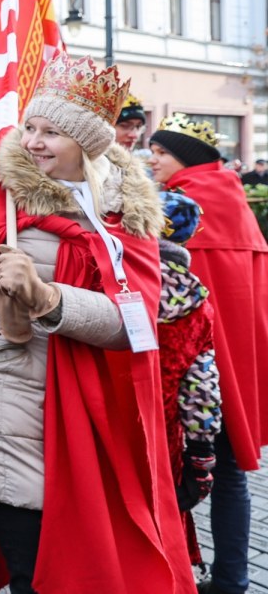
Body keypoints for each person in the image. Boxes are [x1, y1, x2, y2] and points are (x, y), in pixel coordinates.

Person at [0, 54, 192, 593]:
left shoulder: (127, 215)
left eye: (51, 132)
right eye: (29, 127)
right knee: (32, 567)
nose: (33, 142)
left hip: (87, 419)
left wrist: (49, 297)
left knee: (70, 562)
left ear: (88, 143)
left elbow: (133, 323)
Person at [148, 113, 268, 594]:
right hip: (238, 362)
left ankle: (175, 575)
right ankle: (233, 579)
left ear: (187, 157)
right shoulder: (233, 197)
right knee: (230, 472)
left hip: (191, 365)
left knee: (179, 473)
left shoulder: (178, 206)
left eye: (161, 152)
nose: (152, 160)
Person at [154, 190, 222, 574]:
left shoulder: (108, 279)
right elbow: (201, 388)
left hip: (96, 424)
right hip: (161, 439)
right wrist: (200, 463)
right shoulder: (196, 302)